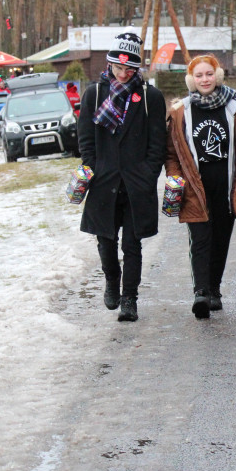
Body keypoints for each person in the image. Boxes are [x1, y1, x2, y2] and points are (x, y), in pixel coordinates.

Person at [78, 30, 167, 322]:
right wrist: (94, 168)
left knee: (132, 244)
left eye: (129, 69)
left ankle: (130, 299)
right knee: (105, 240)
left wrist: (148, 175)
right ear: (110, 64)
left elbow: (158, 143)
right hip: (103, 181)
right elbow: (85, 139)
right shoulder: (94, 94)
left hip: (136, 184)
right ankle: (111, 280)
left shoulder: (150, 97)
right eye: (118, 67)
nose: (123, 74)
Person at [165, 56, 236, 318]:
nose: (204, 79)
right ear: (191, 80)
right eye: (199, 75)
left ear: (217, 76)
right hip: (194, 189)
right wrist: (175, 179)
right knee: (200, 239)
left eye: (208, 74)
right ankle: (201, 293)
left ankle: (215, 289)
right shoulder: (180, 112)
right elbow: (171, 154)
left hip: (227, 188)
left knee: (220, 240)